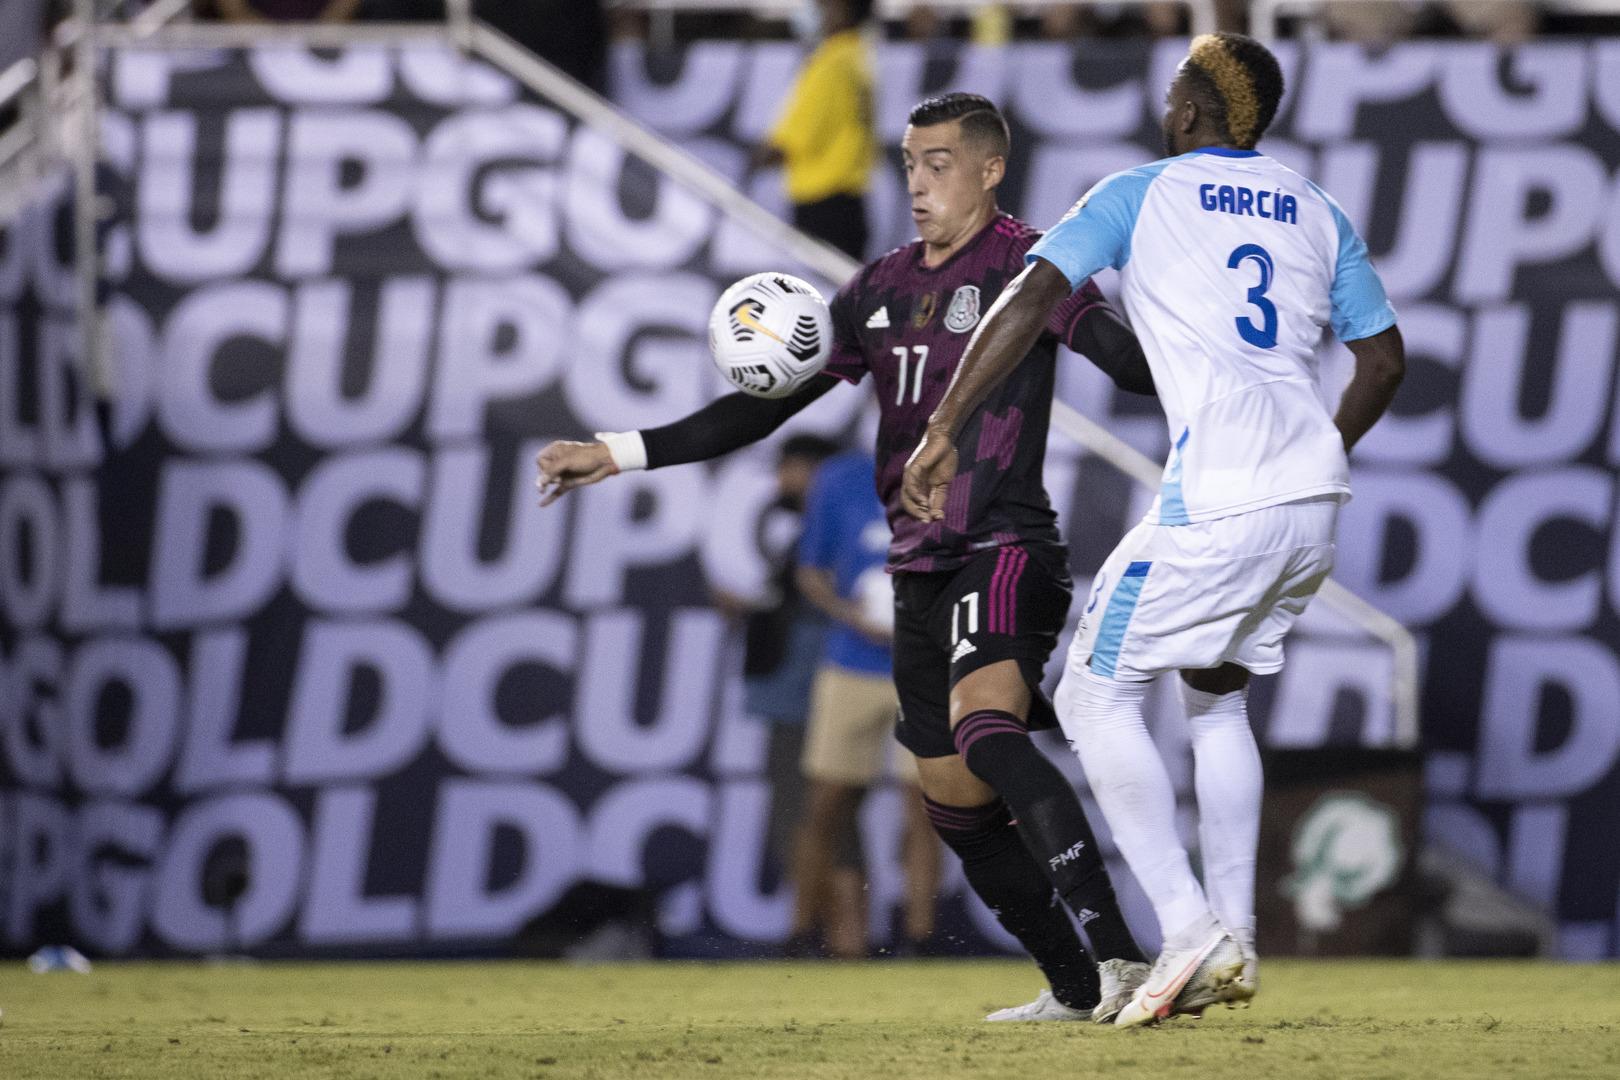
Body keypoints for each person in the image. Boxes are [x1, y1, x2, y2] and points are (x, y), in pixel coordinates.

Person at [539, 91, 1158, 1024]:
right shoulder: (878, 287)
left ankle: (1122, 959)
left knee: (989, 735)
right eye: (909, 162)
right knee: (952, 804)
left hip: (1004, 545)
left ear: (992, 169)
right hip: (916, 570)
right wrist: (621, 449)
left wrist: (1197, 345)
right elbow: (766, 406)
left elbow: (1124, 360)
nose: (917, 181)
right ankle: (1074, 989)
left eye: (939, 162)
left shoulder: (1036, 269)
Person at [903, 33, 1405, 1025]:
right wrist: (1309, 455)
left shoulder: (1139, 192)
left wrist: (945, 425)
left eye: (1175, 89)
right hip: (1313, 501)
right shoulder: (1319, 208)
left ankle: (1187, 929)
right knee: (1214, 699)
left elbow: (1029, 298)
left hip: (1217, 498)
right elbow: (1384, 361)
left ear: (1187, 111)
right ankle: (1238, 940)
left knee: (1092, 697)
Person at [792, 447, 938, 958]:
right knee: (826, 804)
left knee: (924, 806)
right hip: (851, 662)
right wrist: (850, 615)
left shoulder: (954, 467)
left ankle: (919, 938)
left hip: (924, 666)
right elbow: (810, 570)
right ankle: (800, 932)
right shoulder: (841, 476)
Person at [751, 0, 877, 260]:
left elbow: (794, 140)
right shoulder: (858, 57)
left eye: (821, 5)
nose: (814, 10)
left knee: (819, 297)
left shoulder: (829, 64)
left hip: (823, 209)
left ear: (841, 9)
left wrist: (754, 161)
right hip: (850, 205)